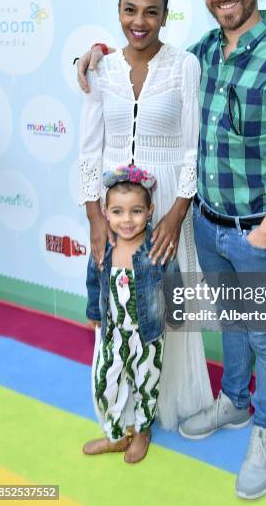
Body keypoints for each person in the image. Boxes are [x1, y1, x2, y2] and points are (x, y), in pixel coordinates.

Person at [77, 0, 266, 500]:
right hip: (209, 227)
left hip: (258, 232)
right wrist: (92, 55)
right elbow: (141, 53)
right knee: (233, 325)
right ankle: (235, 403)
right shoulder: (204, 53)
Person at [78, 0, 213, 432]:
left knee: (166, 310)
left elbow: (191, 146)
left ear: (165, 15)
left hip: (167, 208)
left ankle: (165, 401)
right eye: (130, 10)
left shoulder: (185, 66)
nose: (140, 21)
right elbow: (88, 151)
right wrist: (95, 217)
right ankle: (122, 411)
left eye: (151, 11)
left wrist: (178, 213)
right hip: (116, 215)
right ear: (118, 11)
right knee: (118, 311)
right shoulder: (102, 69)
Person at [84, 165, 172, 462]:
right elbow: (94, 279)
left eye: (136, 211)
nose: (127, 220)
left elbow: (172, 279)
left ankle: (143, 431)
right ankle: (116, 435)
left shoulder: (155, 247)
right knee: (103, 382)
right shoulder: (104, 247)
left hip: (147, 335)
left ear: (150, 211)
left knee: (146, 384)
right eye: (118, 211)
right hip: (112, 331)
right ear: (106, 213)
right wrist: (92, 309)